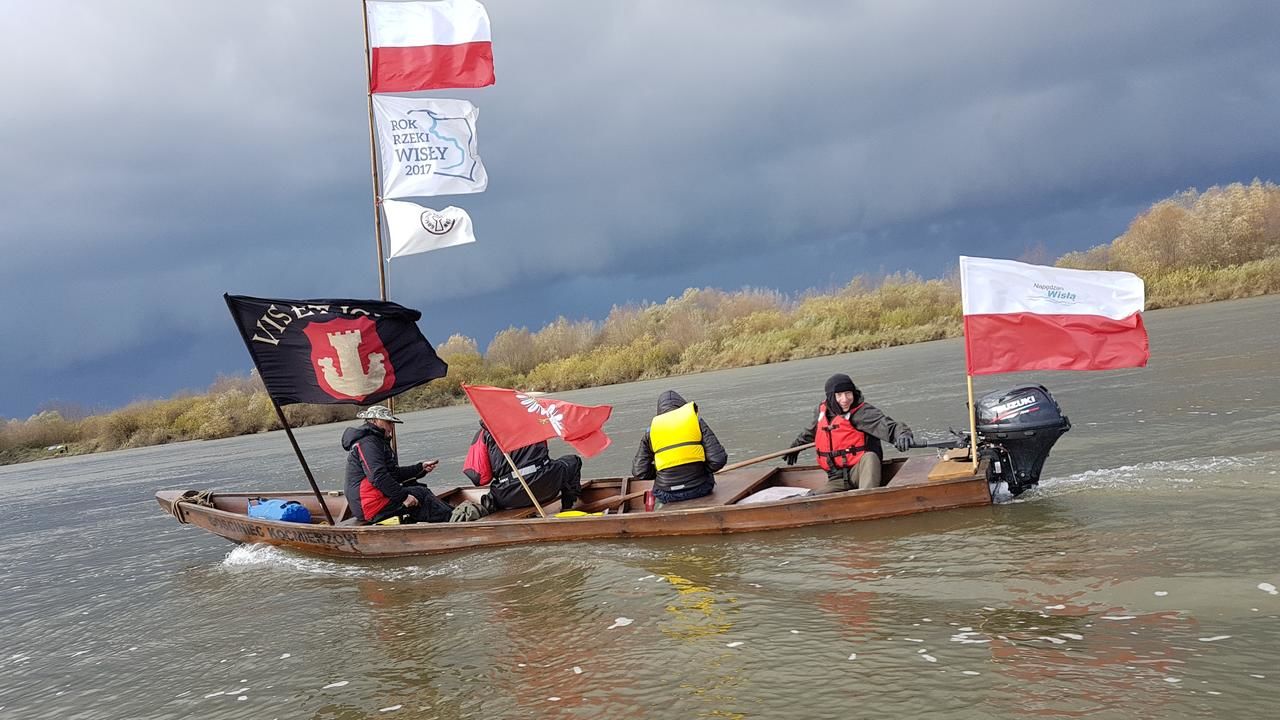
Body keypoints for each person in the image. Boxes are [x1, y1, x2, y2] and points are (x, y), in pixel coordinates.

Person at [784, 374, 915, 494]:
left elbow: (887, 425)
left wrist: (903, 434)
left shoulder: (862, 412)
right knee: (810, 498)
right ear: (831, 397)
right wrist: (795, 447)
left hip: (859, 472)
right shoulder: (821, 411)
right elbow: (810, 432)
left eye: (848, 393)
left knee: (870, 457)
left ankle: (868, 499)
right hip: (836, 477)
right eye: (839, 395)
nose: (845, 399)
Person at [341, 405, 452, 524]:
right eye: (388, 422)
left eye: (392, 423)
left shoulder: (376, 441)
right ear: (374, 421)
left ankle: (452, 517)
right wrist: (403, 497)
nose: (392, 426)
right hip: (369, 505)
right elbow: (378, 477)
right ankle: (454, 522)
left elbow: (393, 473)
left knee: (419, 490)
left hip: (376, 498)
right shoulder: (368, 443)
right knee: (421, 494)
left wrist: (420, 468)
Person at [632, 390, 728, 506]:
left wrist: (660, 473)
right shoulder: (696, 422)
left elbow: (639, 472)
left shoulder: (651, 431)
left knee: (657, 492)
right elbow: (718, 459)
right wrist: (702, 469)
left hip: (667, 494)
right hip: (699, 488)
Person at [462, 422, 584, 512]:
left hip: (508, 496)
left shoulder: (484, 434)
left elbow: (479, 478)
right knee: (573, 461)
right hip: (547, 486)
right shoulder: (532, 420)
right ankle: (568, 509)